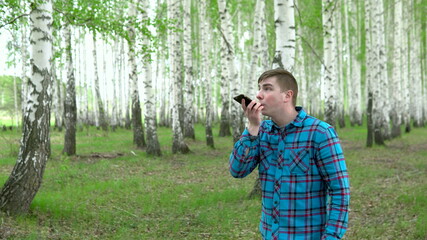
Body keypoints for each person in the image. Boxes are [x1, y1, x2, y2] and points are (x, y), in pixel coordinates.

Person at [229, 69, 350, 240]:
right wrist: (252, 128)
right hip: (270, 235)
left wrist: (331, 236)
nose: (258, 95)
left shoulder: (320, 133)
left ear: (287, 95)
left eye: (267, 88)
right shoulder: (261, 131)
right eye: (259, 88)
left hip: (308, 235)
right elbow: (237, 170)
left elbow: (340, 191)